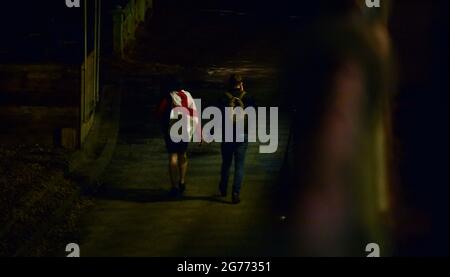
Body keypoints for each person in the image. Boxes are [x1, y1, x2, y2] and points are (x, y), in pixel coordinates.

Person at [157, 76, 199, 197]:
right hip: (185, 129)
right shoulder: (187, 96)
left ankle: (174, 186)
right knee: (183, 154)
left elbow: (159, 113)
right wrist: (198, 133)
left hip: (171, 130)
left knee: (173, 156)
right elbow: (194, 113)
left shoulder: (167, 97)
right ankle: (182, 181)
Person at [218, 74, 256, 204]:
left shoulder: (224, 97)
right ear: (241, 83)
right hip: (242, 134)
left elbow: (218, 117)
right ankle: (235, 192)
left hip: (227, 134)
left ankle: (223, 188)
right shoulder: (248, 97)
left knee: (226, 164)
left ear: (229, 83)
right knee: (239, 165)